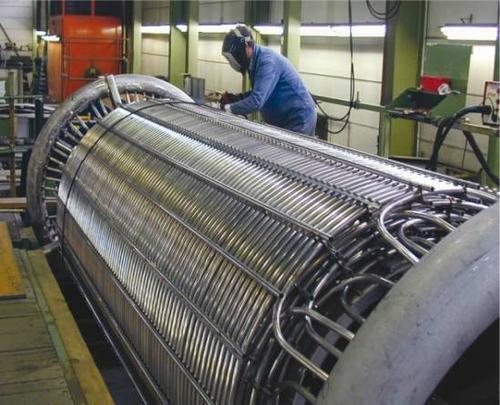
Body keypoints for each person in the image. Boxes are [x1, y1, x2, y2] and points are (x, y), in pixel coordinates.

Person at [220, 25, 317, 136]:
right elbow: (259, 92)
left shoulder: (267, 62)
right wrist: (236, 98)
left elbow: (257, 101)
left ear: (246, 46)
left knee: (288, 147)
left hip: (298, 118)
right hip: (282, 118)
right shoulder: (253, 62)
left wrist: (229, 108)